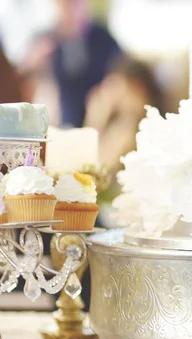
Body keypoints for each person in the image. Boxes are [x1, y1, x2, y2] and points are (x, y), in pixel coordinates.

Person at [21, 0, 122, 128]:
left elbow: (122, 70)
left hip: (99, 116)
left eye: (77, 4)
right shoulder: (46, 41)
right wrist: (34, 63)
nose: (73, 9)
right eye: (67, 4)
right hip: (60, 118)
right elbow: (22, 75)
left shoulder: (102, 38)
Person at [84, 56, 163, 202]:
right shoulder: (122, 124)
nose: (114, 97)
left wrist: (95, 121)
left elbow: (96, 176)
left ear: (138, 88)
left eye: (119, 88)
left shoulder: (134, 129)